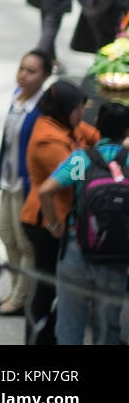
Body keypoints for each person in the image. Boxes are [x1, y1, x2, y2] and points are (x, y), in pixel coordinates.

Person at [40, 102, 129, 344]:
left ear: (97, 124)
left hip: (77, 250)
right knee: (107, 330)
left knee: (69, 327)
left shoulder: (83, 160)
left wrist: (55, 226)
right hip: (117, 257)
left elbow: (46, 191)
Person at [20, 79, 98, 344]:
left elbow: (90, 134)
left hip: (56, 219)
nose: (82, 114)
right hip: (47, 221)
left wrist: (109, 141)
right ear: (66, 108)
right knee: (47, 288)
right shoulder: (48, 140)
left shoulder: (62, 124)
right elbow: (77, 175)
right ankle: (38, 339)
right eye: (79, 109)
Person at [0, 48, 53, 317]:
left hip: (27, 186)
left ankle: (20, 296)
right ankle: (14, 287)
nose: (23, 75)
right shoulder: (17, 98)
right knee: (6, 236)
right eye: (21, 69)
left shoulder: (42, 109)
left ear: (45, 75)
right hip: (8, 180)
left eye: (31, 71)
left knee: (25, 243)